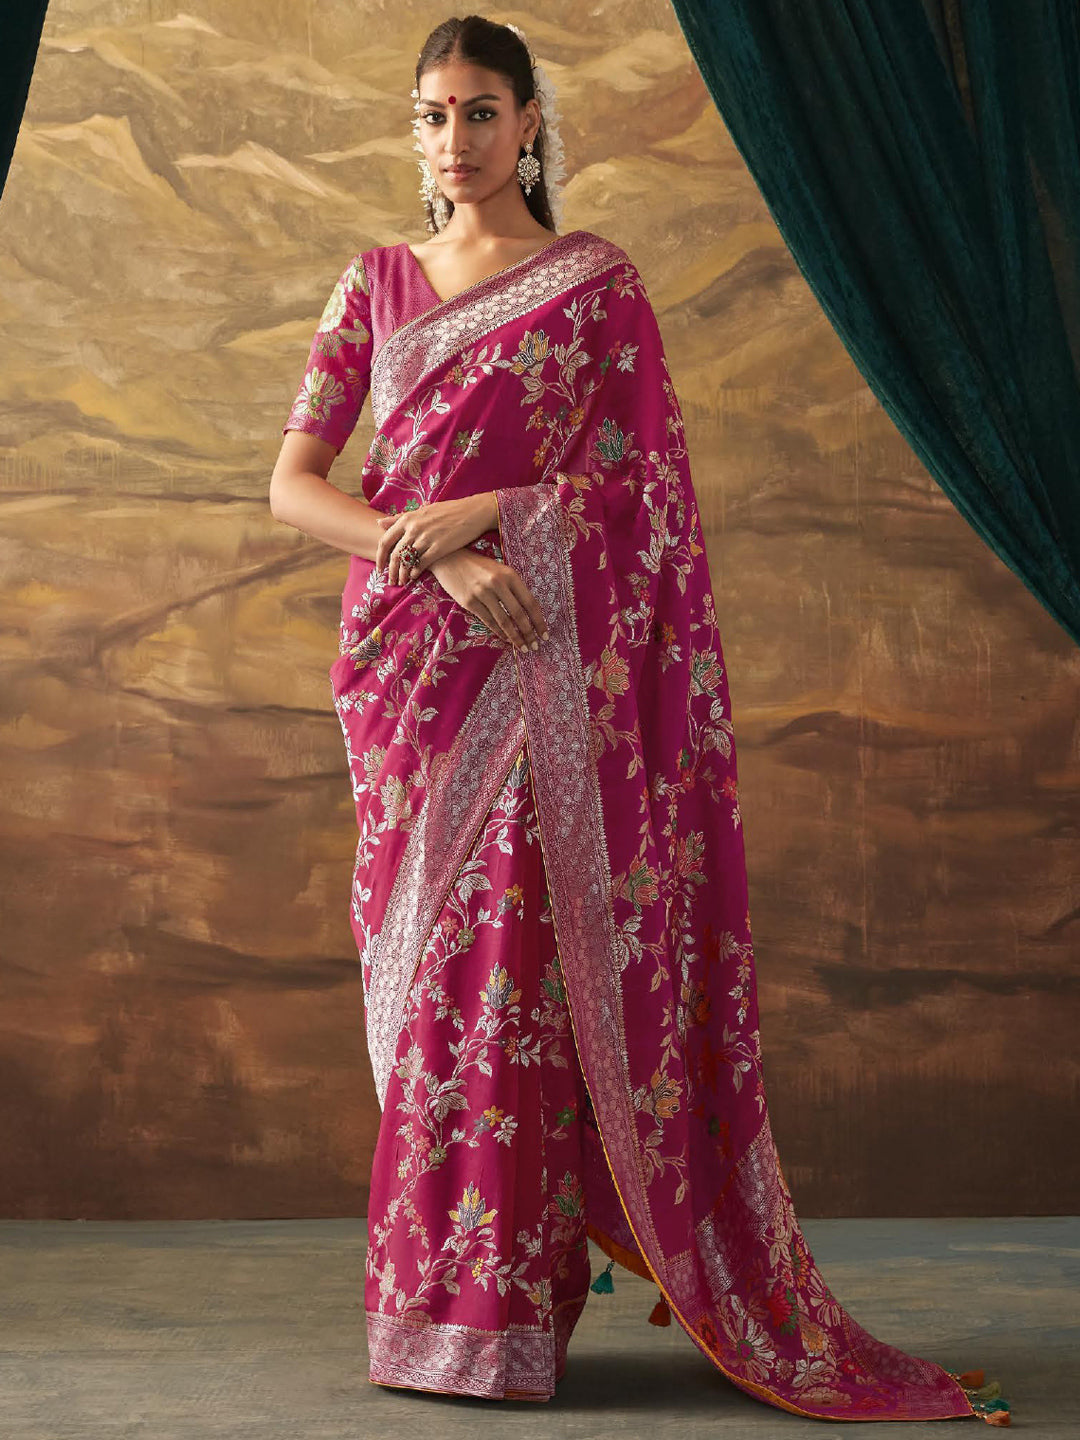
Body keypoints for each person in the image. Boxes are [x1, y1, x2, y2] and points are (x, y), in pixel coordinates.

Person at [268, 12, 1010, 1427]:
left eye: (480, 112)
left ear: (530, 124)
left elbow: (647, 490)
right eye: (431, 115)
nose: (453, 140)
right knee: (437, 997)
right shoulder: (373, 284)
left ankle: (506, 1316)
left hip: (547, 672)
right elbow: (295, 485)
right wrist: (432, 552)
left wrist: (502, 513)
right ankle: (436, 1311)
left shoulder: (594, 287)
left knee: (515, 980)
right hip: (417, 673)